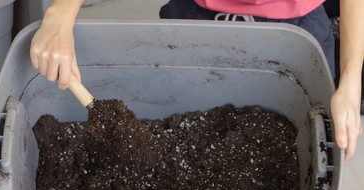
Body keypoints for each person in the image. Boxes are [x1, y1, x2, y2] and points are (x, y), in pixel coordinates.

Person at [30, 0, 364, 162]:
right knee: (175, 101)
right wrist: (60, 14)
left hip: (298, 23)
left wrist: (350, 80)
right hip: (198, 12)